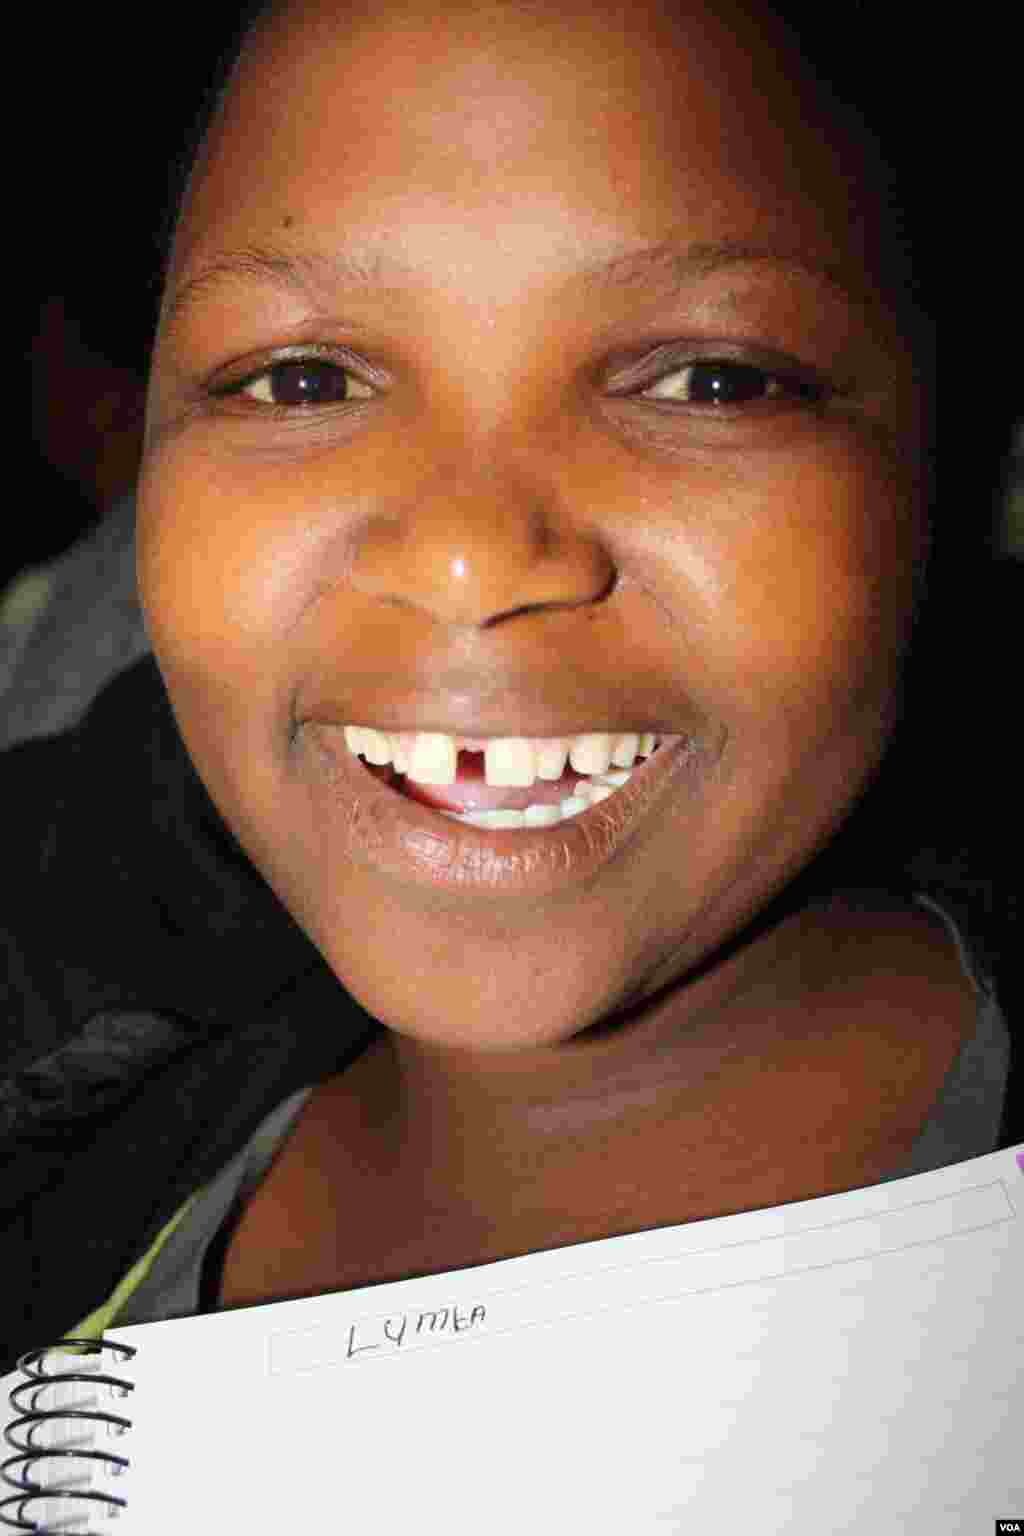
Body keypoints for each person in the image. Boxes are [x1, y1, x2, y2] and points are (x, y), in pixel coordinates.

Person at [1, 0, 1015, 1375]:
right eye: (303, 378)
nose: (472, 556)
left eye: (709, 380)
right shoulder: (88, 1094)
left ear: (950, 470)